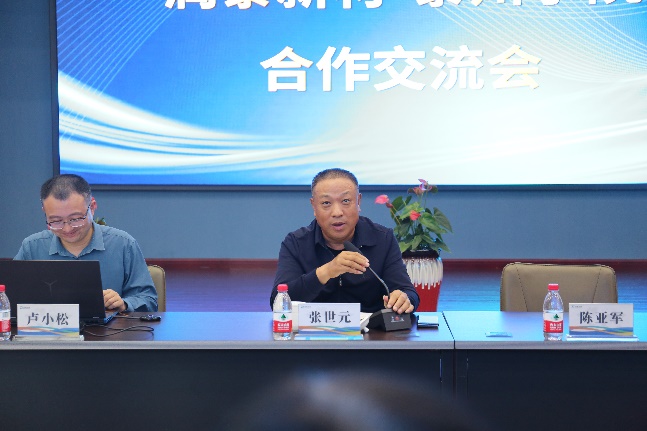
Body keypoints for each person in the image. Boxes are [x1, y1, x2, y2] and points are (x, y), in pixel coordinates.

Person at [271, 168, 419, 314]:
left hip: (371, 328)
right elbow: (278, 301)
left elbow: (408, 292)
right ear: (314, 206)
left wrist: (403, 299)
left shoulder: (382, 239)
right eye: (326, 203)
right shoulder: (296, 243)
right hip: (314, 328)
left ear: (358, 202)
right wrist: (326, 271)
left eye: (346, 201)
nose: (337, 212)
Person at [14, 174, 157, 312]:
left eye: (76, 219)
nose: (67, 228)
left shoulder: (123, 244)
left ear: (92, 207)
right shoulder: (32, 247)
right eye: (56, 221)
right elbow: (9, 298)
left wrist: (124, 304)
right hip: (49, 327)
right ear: (45, 212)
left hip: (109, 328)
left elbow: (149, 300)